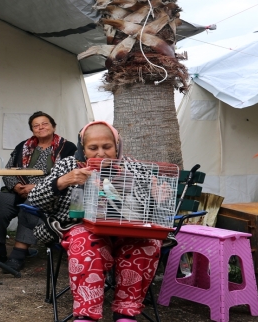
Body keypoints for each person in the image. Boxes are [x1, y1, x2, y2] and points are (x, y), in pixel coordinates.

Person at [28, 121, 163, 322]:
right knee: (85, 241)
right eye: (93, 148)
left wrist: (155, 196)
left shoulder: (134, 168)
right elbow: (35, 199)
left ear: (117, 146)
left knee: (148, 244)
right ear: (83, 149)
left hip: (126, 232)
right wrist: (64, 181)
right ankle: (86, 315)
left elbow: (149, 213)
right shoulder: (68, 165)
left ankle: (125, 313)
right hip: (83, 230)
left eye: (107, 147)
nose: (100, 153)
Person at [0, 111, 76, 272]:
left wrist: (37, 188)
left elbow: (68, 175)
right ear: (32, 130)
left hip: (49, 193)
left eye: (44, 123)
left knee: (31, 206)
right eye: (36, 125)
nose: (40, 127)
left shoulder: (68, 147)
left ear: (53, 126)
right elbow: (9, 170)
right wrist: (16, 186)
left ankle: (18, 254)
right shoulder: (23, 147)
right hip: (19, 190)